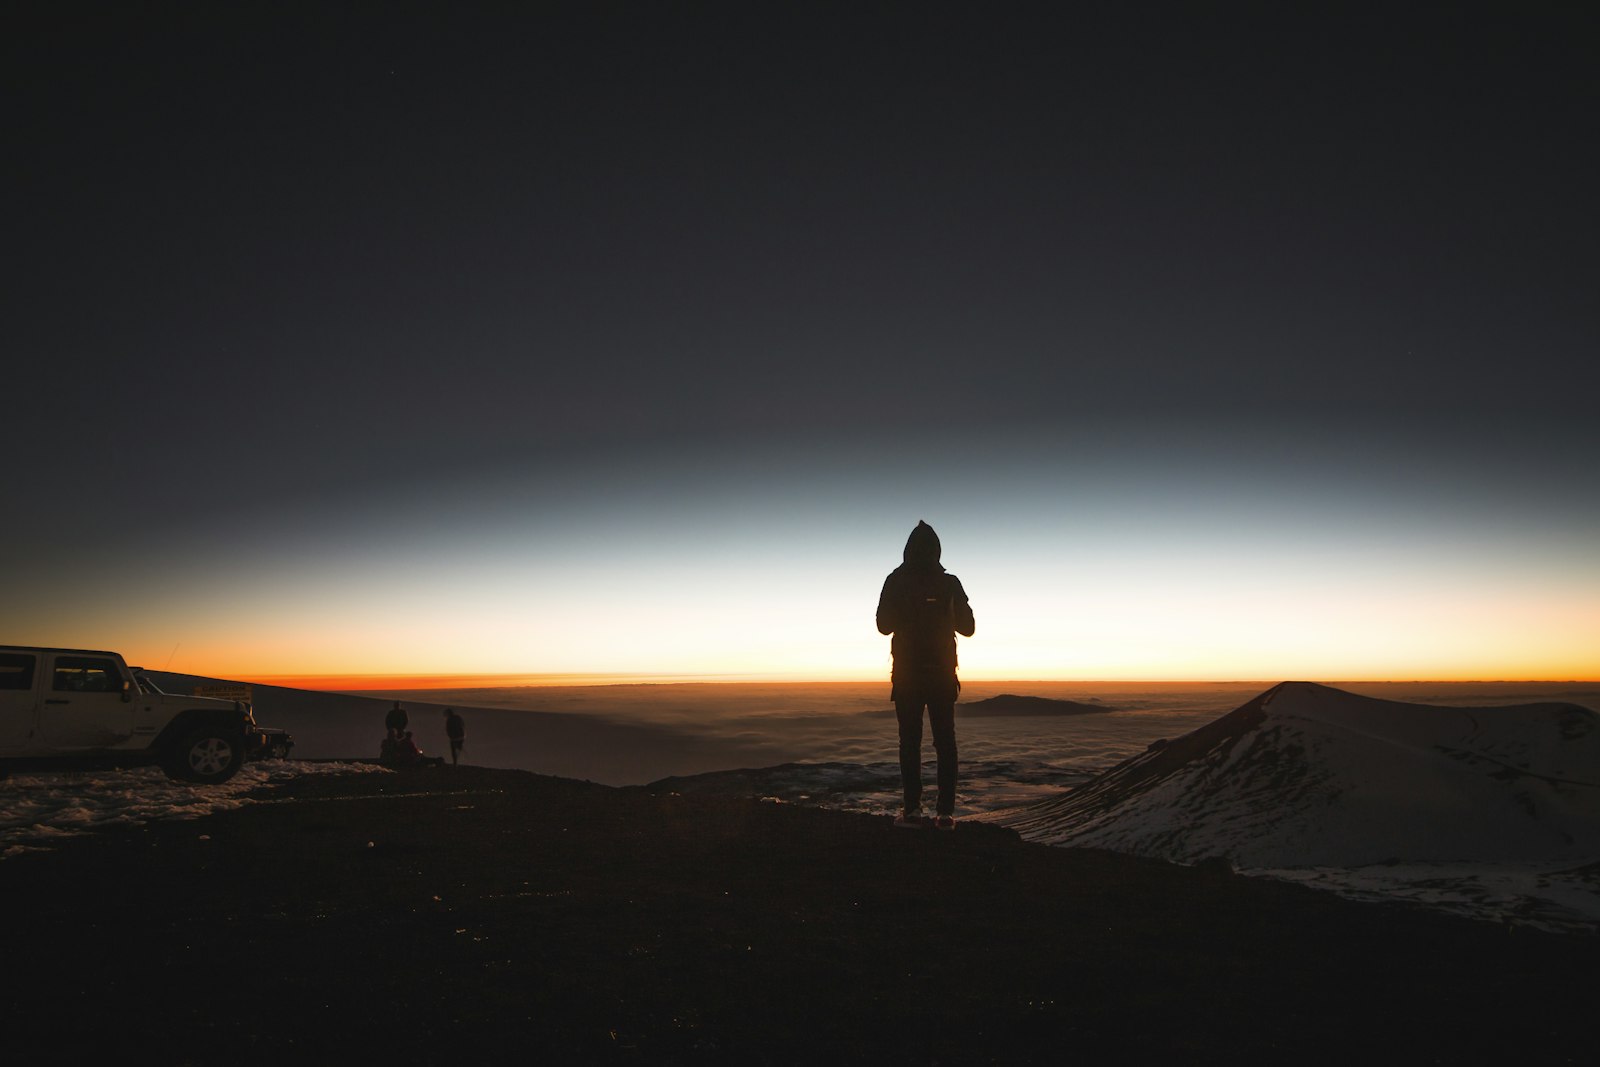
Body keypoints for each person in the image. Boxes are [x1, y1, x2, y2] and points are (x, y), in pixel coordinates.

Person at [876, 520, 975, 830]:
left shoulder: (895, 580)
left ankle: (912, 810)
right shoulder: (950, 583)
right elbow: (968, 628)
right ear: (937, 551)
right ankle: (945, 815)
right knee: (945, 743)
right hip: (943, 675)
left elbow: (883, 626)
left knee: (910, 742)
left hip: (906, 675)